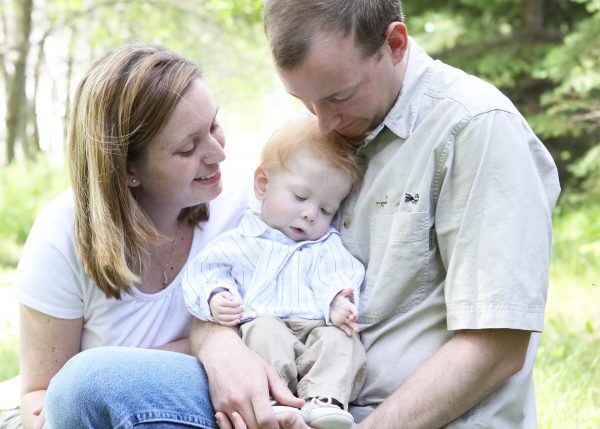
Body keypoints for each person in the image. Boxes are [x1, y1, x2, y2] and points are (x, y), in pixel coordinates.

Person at [189, 1, 561, 428]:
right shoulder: (324, 125)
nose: (322, 123)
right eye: (303, 100)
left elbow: (498, 345)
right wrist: (221, 349)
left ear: (395, 44)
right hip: (288, 400)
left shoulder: (477, 128)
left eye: (337, 97)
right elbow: (236, 264)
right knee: (111, 380)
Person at [11, 44, 258, 429]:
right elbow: (42, 395)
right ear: (128, 169)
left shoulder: (243, 204)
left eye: (214, 126)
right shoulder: (61, 237)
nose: (217, 154)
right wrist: (173, 356)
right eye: (188, 148)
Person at [182, 116, 367, 429]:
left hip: (315, 324)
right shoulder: (242, 240)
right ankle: (274, 399)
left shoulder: (325, 244)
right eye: (299, 197)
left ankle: (325, 401)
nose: (310, 213)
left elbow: (340, 274)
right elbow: (207, 271)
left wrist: (338, 303)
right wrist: (216, 296)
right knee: (263, 333)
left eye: (326, 210)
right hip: (265, 320)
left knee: (342, 341)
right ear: (263, 185)